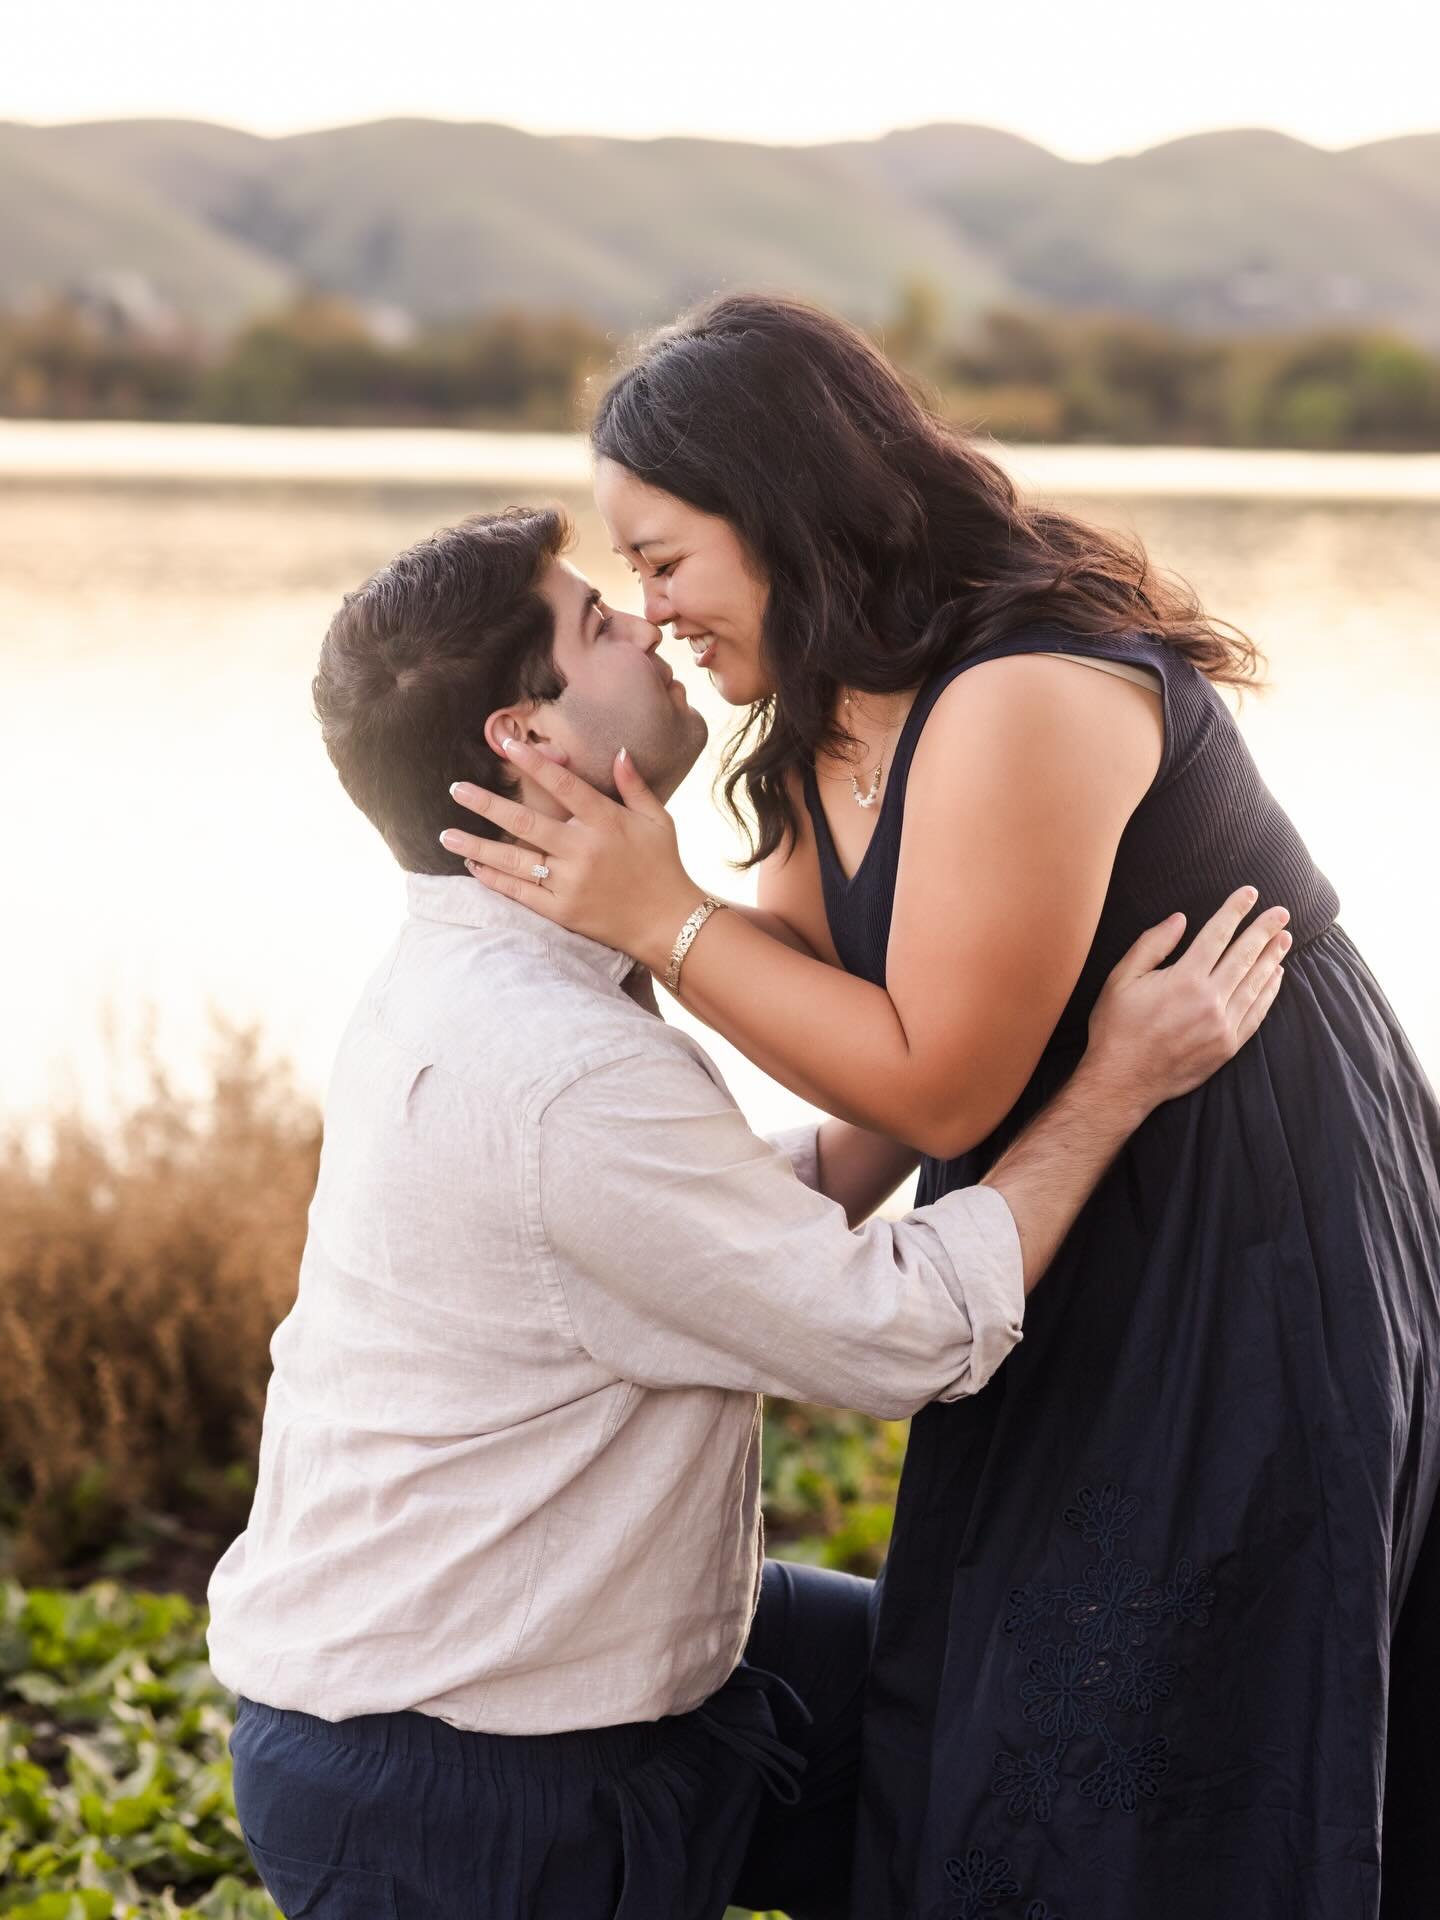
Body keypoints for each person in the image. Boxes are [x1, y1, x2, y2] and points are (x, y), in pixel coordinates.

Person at [447, 296, 1440, 1919]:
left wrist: (661, 918)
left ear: (777, 509)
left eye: (666, 558)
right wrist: (595, 902)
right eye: (625, 579)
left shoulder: (1024, 688)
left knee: (1166, 1691)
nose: (653, 608)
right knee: (1007, 1654)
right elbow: (832, 1034)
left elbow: (935, 1071)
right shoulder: (839, 704)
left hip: (1241, 1179)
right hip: (1065, 1171)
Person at [207, 507, 1285, 1920]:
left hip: (595, 1664)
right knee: (994, 1739)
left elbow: (688, 1239)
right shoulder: (556, 1069)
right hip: (460, 1784)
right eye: (597, 623)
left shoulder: (486, 977)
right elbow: (903, 1335)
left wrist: (943, 1057)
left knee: (990, 1706)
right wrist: (1114, 1082)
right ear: (527, 742)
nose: (646, 625)